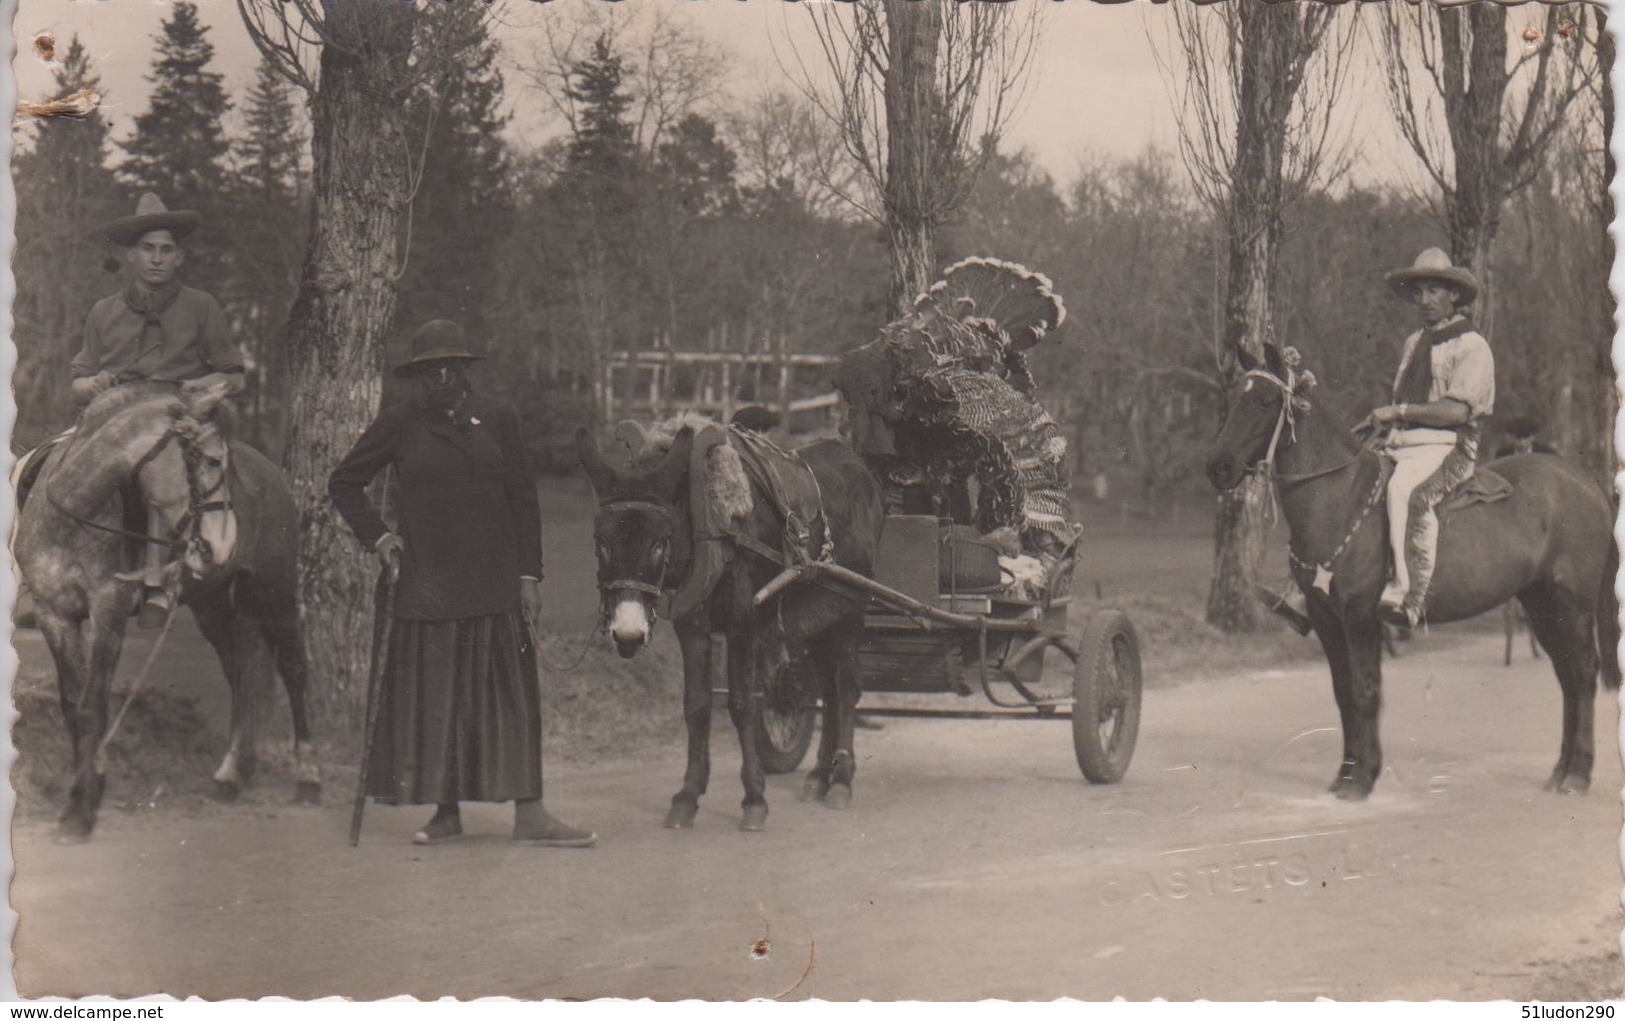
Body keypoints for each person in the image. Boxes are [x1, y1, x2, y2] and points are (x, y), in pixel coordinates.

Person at [328, 319, 595, 848]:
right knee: (440, 701)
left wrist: (529, 576)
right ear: (416, 378)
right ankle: (446, 813)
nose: (441, 378)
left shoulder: (497, 418)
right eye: (429, 371)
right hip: (428, 589)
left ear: (466, 370)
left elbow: (523, 500)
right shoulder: (399, 423)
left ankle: (531, 814)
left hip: (496, 585)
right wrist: (380, 539)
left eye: (450, 367)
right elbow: (345, 482)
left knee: (509, 702)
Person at [73, 193, 245, 626]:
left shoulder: (201, 306)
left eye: (166, 250)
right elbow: (79, 380)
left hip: (176, 415)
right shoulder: (103, 312)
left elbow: (234, 375)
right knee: (60, 467)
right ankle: (60, 571)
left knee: (159, 466)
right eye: (147, 249)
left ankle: (156, 585)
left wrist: (201, 385)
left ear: (179, 257)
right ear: (130, 256)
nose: (156, 259)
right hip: (115, 416)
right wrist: (92, 383)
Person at [1355, 248, 1495, 628]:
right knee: (1353, 478)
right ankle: (1318, 584)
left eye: (1434, 291)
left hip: (1449, 445)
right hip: (1405, 440)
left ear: (1454, 295)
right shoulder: (1414, 342)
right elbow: (1406, 400)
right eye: (1418, 292)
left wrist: (1398, 412)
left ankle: (1408, 592)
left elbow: (1454, 412)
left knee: (1406, 492)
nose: (1424, 300)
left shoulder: (1471, 346)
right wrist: (1382, 423)